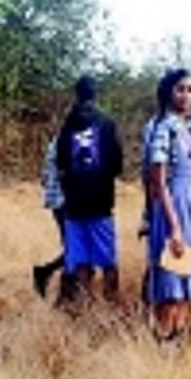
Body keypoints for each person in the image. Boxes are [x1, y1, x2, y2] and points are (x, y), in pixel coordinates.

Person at [146, 69, 191, 343]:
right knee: (172, 282)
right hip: (175, 208)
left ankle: (179, 340)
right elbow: (158, 181)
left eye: (190, 89)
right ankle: (164, 341)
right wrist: (174, 226)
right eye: (180, 89)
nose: (187, 95)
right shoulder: (163, 128)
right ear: (167, 93)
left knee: (189, 281)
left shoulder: (186, 128)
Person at [55, 75, 123, 302]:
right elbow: (117, 164)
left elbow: (61, 162)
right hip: (100, 202)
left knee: (81, 263)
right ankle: (111, 308)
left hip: (74, 204)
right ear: (96, 93)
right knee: (108, 262)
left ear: (76, 93)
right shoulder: (107, 123)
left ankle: (86, 310)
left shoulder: (67, 124)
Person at [31, 133, 67, 299]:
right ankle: (45, 273)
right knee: (76, 251)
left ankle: (47, 275)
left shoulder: (57, 140)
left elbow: (44, 178)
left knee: (74, 249)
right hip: (66, 203)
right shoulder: (67, 141)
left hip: (57, 202)